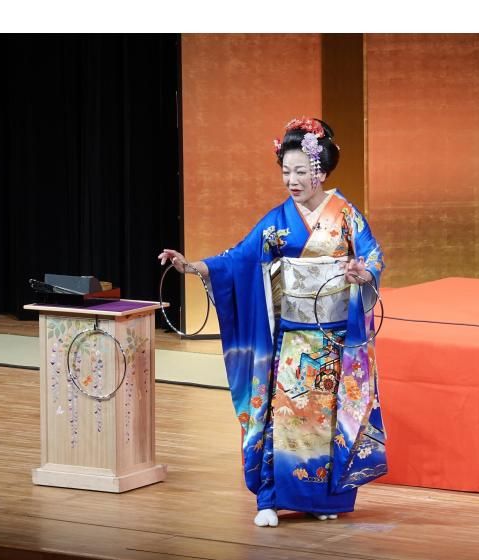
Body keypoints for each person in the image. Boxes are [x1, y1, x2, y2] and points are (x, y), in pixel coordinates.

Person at [158, 117, 387, 527]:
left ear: (321, 170)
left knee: (326, 419)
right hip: (292, 340)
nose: (292, 180)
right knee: (282, 418)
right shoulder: (277, 220)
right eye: (286, 172)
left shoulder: (347, 215)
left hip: (333, 339)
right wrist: (194, 267)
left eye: (301, 171)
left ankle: (322, 499)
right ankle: (271, 498)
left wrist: (363, 273)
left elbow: (372, 256)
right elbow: (238, 260)